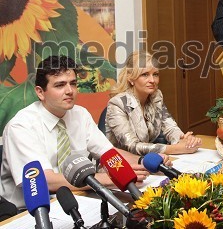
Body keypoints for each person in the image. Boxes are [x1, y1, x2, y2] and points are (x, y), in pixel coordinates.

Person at [0, 56, 163, 208]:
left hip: (79, 198)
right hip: (27, 211)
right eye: (60, 85)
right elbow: (44, 181)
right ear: (40, 92)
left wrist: (146, 162)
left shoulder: (80, 114)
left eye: (73, 83)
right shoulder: (21, 126)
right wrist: (104, 180)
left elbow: (108, 153)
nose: (69, 90)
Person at [106, 51, 202, 155]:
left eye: (155, 74)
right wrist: (175, 149)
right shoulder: (117, 104)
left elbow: (170, 127)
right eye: (145, 74)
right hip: (120, 164)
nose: (152, 80)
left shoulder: (156, 97)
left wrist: (184, 140)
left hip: (146, 161)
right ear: (131, 79)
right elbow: (132, 146)